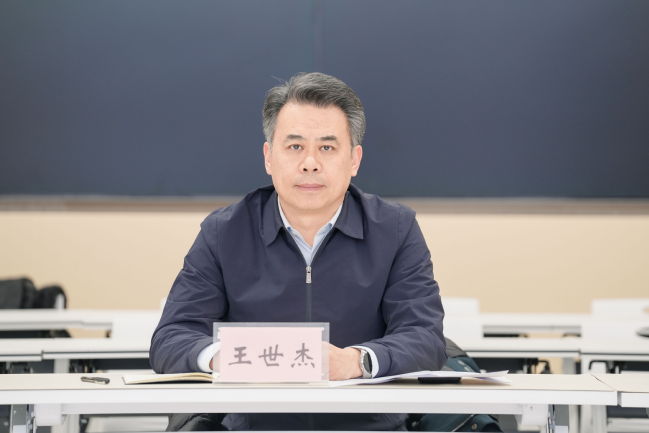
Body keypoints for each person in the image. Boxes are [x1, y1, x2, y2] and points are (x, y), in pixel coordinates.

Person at [150, 72, 447, 431]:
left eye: (327, 148)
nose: (310, 163)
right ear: (268, 157)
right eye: (294, 147)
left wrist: (357, 362)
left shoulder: (395, 229)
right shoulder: (224, 232)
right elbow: (171, 337)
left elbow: (425, 337)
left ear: (354, 160)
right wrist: (223, 358)